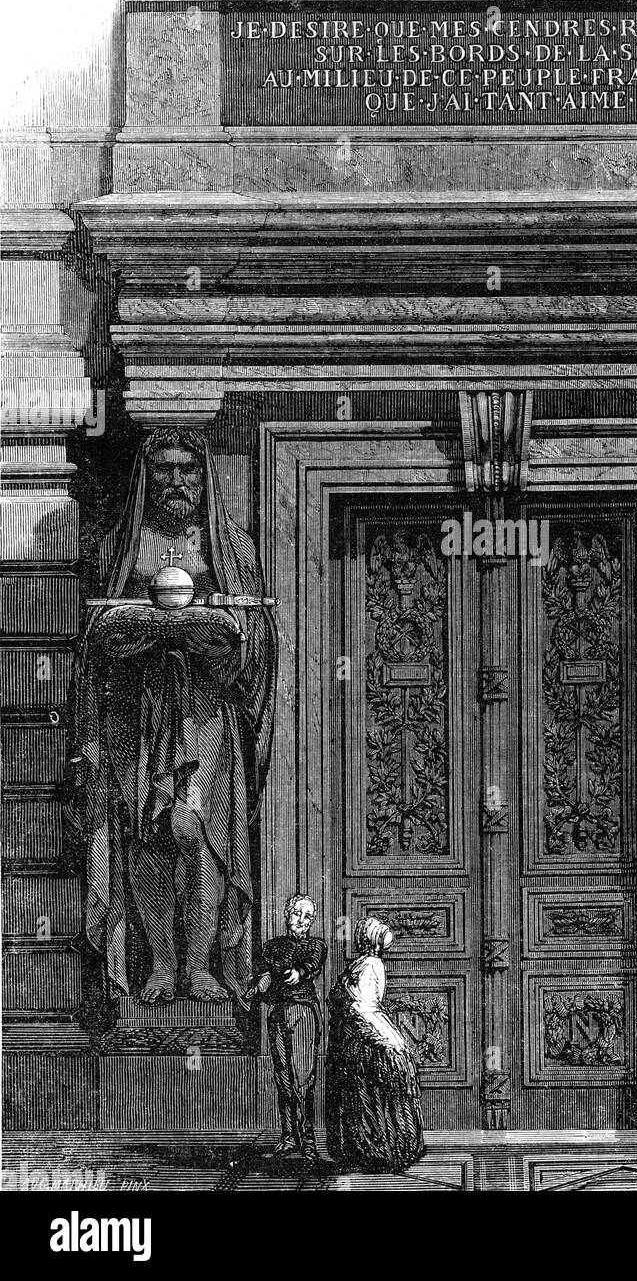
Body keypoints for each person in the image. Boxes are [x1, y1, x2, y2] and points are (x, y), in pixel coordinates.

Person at [71, 428, 276, 1005]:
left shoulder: (229, 547)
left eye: (187, 469)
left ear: (204, 476)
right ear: (147, 475)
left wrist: (212, 634)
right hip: (139, 718)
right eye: (164, 469)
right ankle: (159, 964)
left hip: (208, 717)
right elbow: (94, 637)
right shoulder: (124, 547)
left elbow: (255, 634)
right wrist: (149, 632)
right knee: (146, 838)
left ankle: (202, 964)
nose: (177, 481)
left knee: (204, 840)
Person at [326, 916, 425, 1172]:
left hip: (354, 1037)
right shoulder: (371, 964)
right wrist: (391, 1039)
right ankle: (379, 1150)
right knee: (371, 1093)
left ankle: (366, 1150)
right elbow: (364, 1008)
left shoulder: (360, 963)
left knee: (361, 1096)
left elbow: (358, 1005)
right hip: (364, 1038)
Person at [247, 894, 327, 1162]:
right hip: (278, 1013)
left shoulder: (316, 946)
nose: (302, 921)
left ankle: (308, 1141)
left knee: (303, 1079)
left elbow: (309, 967)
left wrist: (299, 974)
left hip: (303, 1012)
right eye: (297, 914)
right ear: (286, 914)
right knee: (283, 1078)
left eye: (308, 917)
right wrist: (260, 984)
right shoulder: (272, 946)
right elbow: (266, 975)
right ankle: (288, 1137)